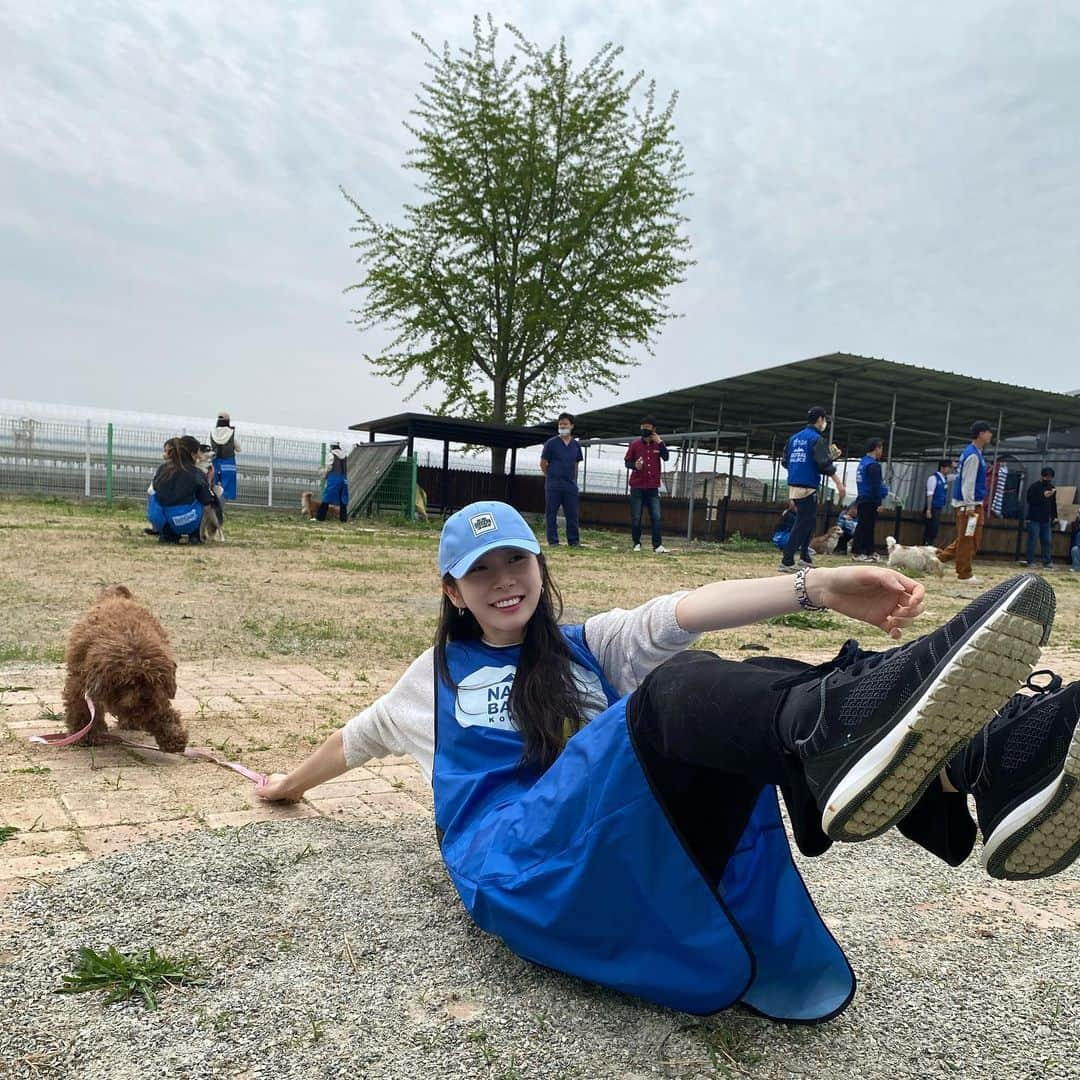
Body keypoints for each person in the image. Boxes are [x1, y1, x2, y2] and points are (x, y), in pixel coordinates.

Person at [258, 500, 1079, 1021]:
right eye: (480, 573)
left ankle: (986, 762)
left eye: (516, 560)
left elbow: (683, 611)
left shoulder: (585, 649)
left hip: (625, 849)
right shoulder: (427, 684)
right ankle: (862, 733)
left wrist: (819, 587)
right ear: (452, 592)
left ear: (540, 566)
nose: (503, 581)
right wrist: (282, 787)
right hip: (522, 869)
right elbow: (350, 741)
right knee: (679, 693)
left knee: (722, 682)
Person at [779, 406, 846, 573]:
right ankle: (787, 560)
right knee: (803, 522)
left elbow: (786, 462)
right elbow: (824, 464)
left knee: (809, 521)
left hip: (794, 483)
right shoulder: (816, 439)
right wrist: (839, 483)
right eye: (825, 420)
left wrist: (800, 469)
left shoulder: (794, 438)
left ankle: (804, 557)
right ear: (820, 420)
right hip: (807, 486)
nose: (825, 424)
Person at [937, 421, 994, 583]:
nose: (990, 435)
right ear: (981, 434)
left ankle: (940, 559)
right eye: (989, 432)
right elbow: (968, 482)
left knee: (968, 538)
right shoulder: (973, 456)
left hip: (973, 502)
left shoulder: (974, 453)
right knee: (968, 539)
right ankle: (964, 573)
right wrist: (969, 505)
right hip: (969, 504)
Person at [147, 436, 219, 543]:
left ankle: (167, 534)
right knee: (205, 500)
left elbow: (153, 490)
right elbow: (206, 499)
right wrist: (208, 479)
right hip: (184, 521)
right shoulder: (196, 473)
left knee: (154, 494)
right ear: (192, 455)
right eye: (198, 453)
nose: (199, 456)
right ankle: (195, 535)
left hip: (160, 520)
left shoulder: (162, 468)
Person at [624, 417, 669, 553]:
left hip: (653, 487)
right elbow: (627, 462)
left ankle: (657, 545)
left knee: (656, 516)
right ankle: (636, 543)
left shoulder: (658, 445)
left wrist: (660, 442)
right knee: (636, 516)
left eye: (648, 427)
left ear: (653, 429)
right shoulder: (635, 444)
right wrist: (635, 466)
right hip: (637, 486)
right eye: (643, 426)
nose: (645, 429)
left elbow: (666, 457)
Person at [539, 413, 584, 547]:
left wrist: (574, 481)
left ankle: (574, 541)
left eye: (565, 424)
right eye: (560, 424)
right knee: (551, 514)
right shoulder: (551, 443)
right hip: (553, 485)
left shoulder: (576, 445)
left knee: (572, 514)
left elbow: (576, 464)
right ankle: (553, 541)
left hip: (570, 485)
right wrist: (550, 475)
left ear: (571, 426)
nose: (563, 426)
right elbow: (543, 463)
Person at [851, 438, 889, 562]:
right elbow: (875, 485)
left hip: (863, 498)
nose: (882, 451)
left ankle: (869, 551)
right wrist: (879, 502)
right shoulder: (873, 465)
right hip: (870, 499)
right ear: (876, 448)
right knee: (865, 526)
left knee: (866, 526)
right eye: (881, 448)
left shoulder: (863, 463)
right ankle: (858, 552)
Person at [1023, 467, 1058, 569]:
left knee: (1047, 541)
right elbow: (1030, 501)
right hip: (1034, 518)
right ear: (1042, 476)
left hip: (1046, 519)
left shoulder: (1051, 487)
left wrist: (1055, 516)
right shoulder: (1034, 487)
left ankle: (1047, 561)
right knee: (1032, 540)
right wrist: (1043, 496)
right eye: (1047, 477)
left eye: (1050, 478)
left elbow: (1053, 504)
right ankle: (1030, 561)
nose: (1048, 479)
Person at [208, 412, 239, 501]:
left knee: (213, 487)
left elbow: (208, 446)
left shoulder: (212, 432)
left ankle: (214, 504)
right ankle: (222, 505)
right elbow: (239, 449)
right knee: (227, 489)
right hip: (228, 463)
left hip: (214, 463)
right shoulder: (232, 433)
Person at [316, 443, 349, 522]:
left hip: (334, 478)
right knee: (343, 499)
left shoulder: (331, 455)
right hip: (344, 479)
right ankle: (343, 519)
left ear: (331, 447)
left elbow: (329, 467)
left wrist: (323, 474)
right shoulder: (344, 455)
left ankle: (320, 517)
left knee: (327, 498)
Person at [923, 459, 952, 545]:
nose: (949, 470)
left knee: (935, 528)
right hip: (933, 507)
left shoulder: (945, 479)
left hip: (939, 507)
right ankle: (927, 544)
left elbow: (958, 475)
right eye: (948, 467)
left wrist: (956, 465)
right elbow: (930, 494)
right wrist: (928, 509)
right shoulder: (933, 478)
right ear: (942, 468)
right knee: (931, 528)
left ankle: (930, 544)